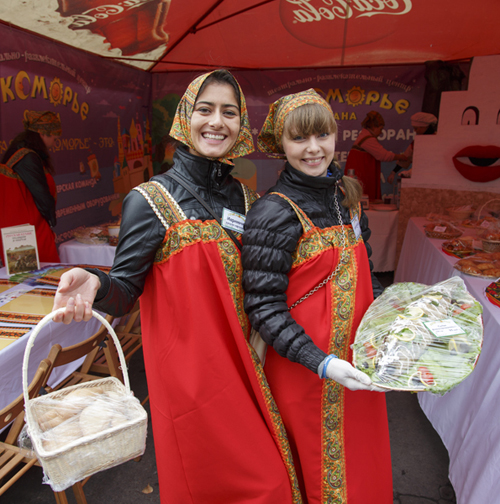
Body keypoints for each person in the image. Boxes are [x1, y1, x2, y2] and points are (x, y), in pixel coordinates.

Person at [52, 70, 302, 504]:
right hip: (193, 385)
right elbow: (125, 290)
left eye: (229, 112)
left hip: (254, 368)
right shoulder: (149, 200)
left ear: (241, 124)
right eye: (205, 109)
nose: (217, 122)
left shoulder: (249, 200)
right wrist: (96, 280)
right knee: (232, 488)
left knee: (273, 484)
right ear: (186, 117)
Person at [242, 90, 392, 504]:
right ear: (281, 144)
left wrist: (390, 324)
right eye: (299, 138)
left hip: (356, 364)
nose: (313, 149)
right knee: (317, 470)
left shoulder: (348, 197)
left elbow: (365, 272)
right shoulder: (273, 212)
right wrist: (322, 362)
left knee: (360, 461)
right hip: (304, 370)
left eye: (322, 135)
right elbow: (263, 307)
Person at [0, 110, 61, 263]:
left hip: (16, 228)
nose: (54, 143)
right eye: (54, 138)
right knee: (42, 271)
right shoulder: (28, 157)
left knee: (23, 273)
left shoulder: (18, 152)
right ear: (42, 133)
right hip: (28, 229)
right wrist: (51, 221)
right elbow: (41, 194)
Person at [344, 110, 407, 200]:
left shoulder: (364, 136)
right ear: (374, 127)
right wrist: (400, 157)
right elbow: (383, 155)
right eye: (380, 129)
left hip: (360, 173)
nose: (381, 132)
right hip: (361, 175)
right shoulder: (367, 139)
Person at [387, 112, 438, 184]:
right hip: (421, 176)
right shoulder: (417, 142)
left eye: (416, 128)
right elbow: (407, 156)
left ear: (424, 127)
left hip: (435, 175)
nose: (415, 131)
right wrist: (393, 172)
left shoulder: (438, 139)